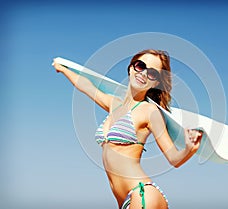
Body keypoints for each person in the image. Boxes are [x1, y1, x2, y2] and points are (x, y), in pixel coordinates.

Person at [52, 49, 203, 209]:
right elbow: (86, 86)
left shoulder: (149, 111)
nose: (144, 73)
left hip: (142, 194)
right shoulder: (114, 104)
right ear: (131, 68)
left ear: (156, 82)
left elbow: (173, 158)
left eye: (152, 73)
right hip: (124, 200)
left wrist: (189, 148)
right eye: (140, 66)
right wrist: (63, 69)